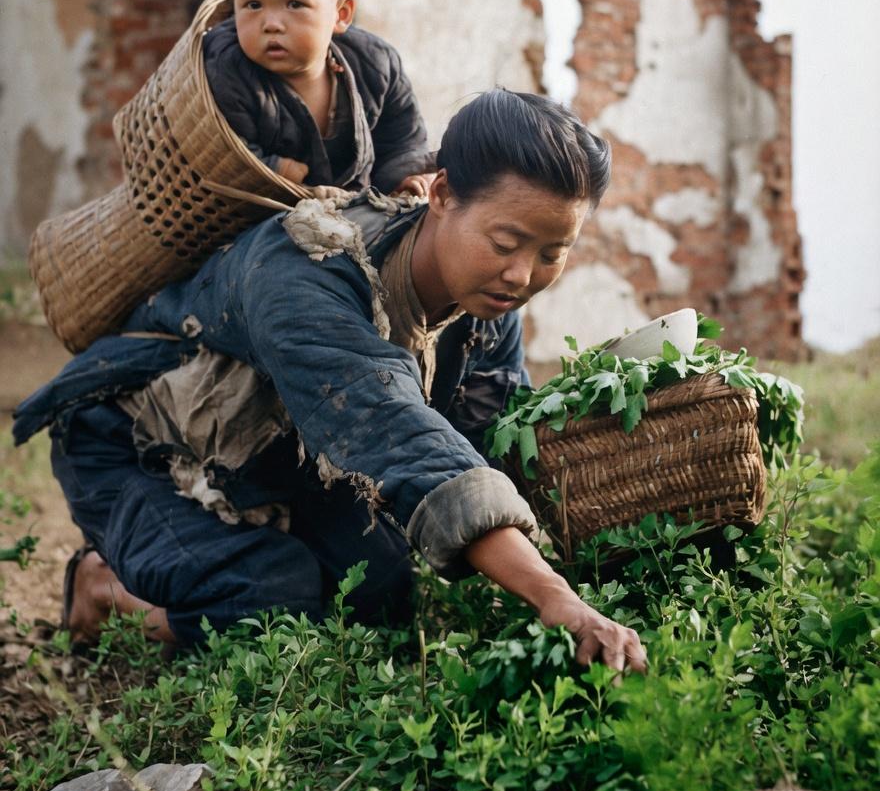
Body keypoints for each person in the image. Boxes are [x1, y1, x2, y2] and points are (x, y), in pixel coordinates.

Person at [14, 90, 647, 674]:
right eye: (507, 242)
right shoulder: (306, 270)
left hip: (278, 454)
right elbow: (396, 431)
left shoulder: (482, 310)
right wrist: (554, 595)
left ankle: (256, 538)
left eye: (551, 253)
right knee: (271, 600)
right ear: (444, 195)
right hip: (136, 445)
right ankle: (103, 591)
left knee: (381, 596)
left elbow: (486, 439)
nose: (520, 275)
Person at [203, 0, 435, 196]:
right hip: (257, 218)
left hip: (359, 210)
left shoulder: (376, 65)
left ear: (341, 14)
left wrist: (404, 175)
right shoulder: (227, 67)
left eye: (295, 3)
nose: (271, 23)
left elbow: (401, 138)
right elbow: (216, 150)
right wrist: (276, 169)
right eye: (253, 4)